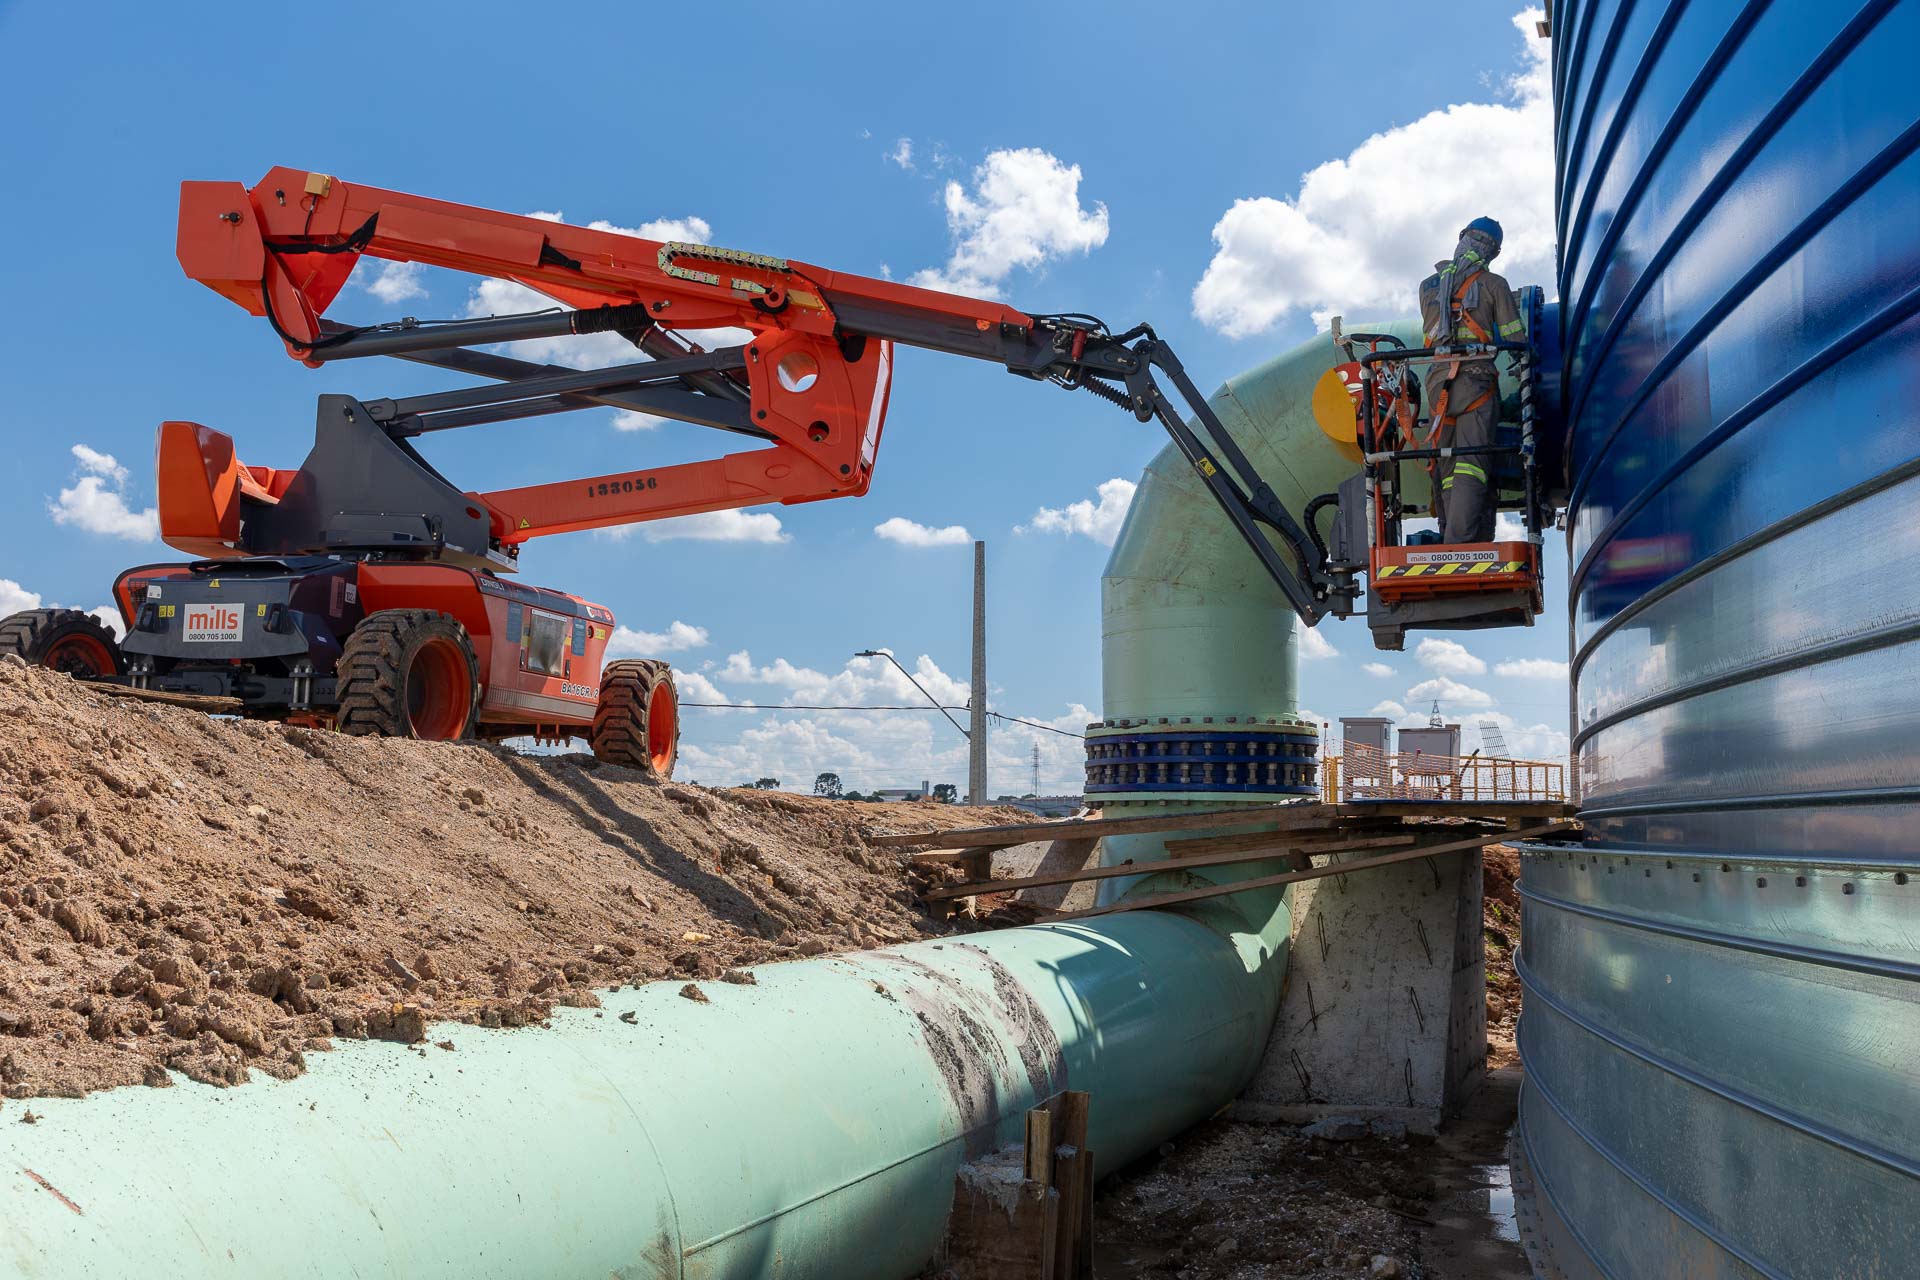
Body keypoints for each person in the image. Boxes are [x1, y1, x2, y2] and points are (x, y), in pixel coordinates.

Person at [1418, 217, 1524, 543]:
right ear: (1495, 251)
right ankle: (1458, 545)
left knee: (1447, 467)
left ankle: (1450, 534)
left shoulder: (1428, 286)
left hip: (1438, 385)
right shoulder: (1495, 285)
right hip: (1475, 383)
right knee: (1472, 466)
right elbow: (1515, 339)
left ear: (1462, 236)